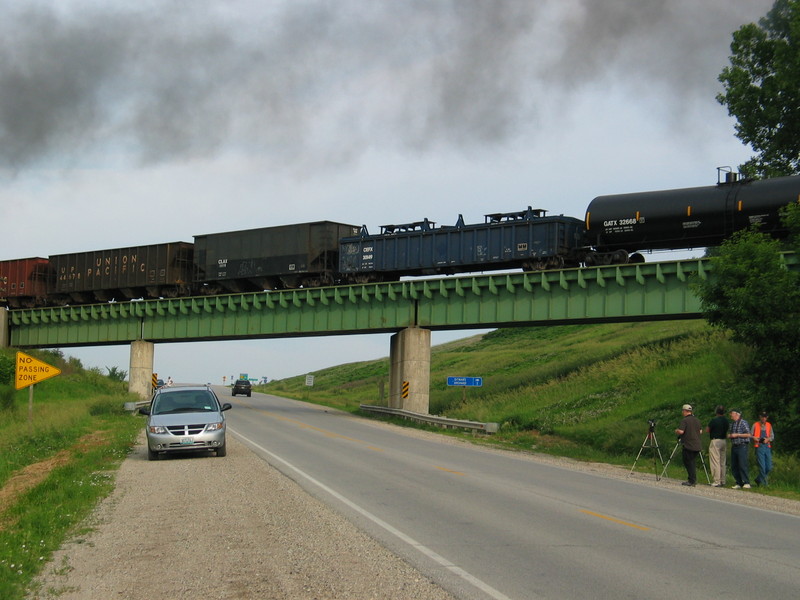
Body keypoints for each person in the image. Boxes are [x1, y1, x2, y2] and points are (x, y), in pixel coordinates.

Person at [675, 404, 703, 487]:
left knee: (688, 462)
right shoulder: (697, 420)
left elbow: (681, 431)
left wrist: (676, 430)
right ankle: (692, 479)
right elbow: (700, 431)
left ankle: (692, 480)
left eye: (683, 411)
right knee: (692, 461)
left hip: (688, 444)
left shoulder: (685, 421)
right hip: (697, 444)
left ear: (684, 411)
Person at [705, 405, 728, 487]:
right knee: (722, 461)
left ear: (716, 412)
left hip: (715, 440)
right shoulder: (726, 420)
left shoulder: (714, 420)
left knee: (715, 460)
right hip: (723, 440)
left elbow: (707, 430)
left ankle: (716, 480)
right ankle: (722, 480)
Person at [728, 409, 751, 489]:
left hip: (742, 445)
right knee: (734, 465)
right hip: (734, 445)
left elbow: (748, 434)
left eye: (732, 413)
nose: (731, 415)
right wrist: (730, 436)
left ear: (737, 414)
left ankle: (746, 482)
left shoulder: (743, 423)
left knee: (742, 464)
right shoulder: (732, 424)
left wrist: (737, 435)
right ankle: (738, 482)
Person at [751, 412, 774, 486]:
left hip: (767, 446)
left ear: (767, 418)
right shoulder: (755, 425)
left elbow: (772, 436)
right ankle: (765, 484)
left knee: (769, 467)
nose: (764, 418)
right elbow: (750, 435)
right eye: (762, 417)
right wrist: (755, 438)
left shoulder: (769, 425)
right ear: (760, 417)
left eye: (765, 417)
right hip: (759, 446)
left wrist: (768, 439)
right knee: (762, 467)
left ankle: (758, 479)